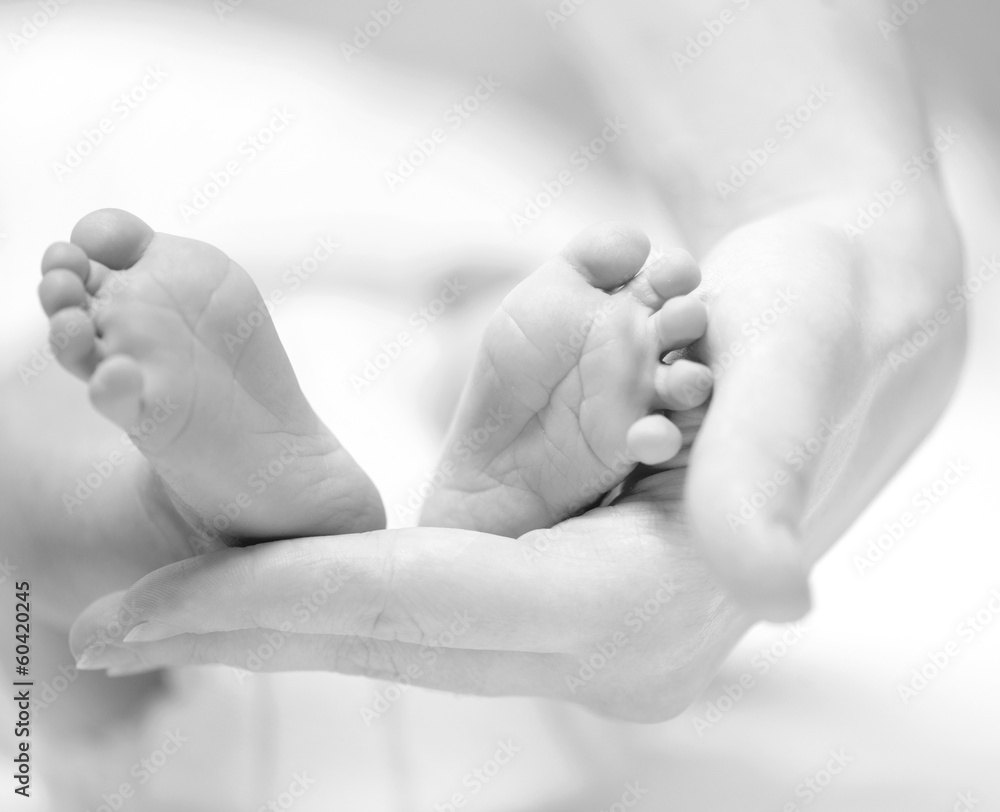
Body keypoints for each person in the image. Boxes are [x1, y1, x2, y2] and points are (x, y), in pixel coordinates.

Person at [5, 0, 964, 725]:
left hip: (257, 190)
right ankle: (497, 427)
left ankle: (174, 516)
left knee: (30, 432)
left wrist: (839, 198)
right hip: (426, 226)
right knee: (478, 298)